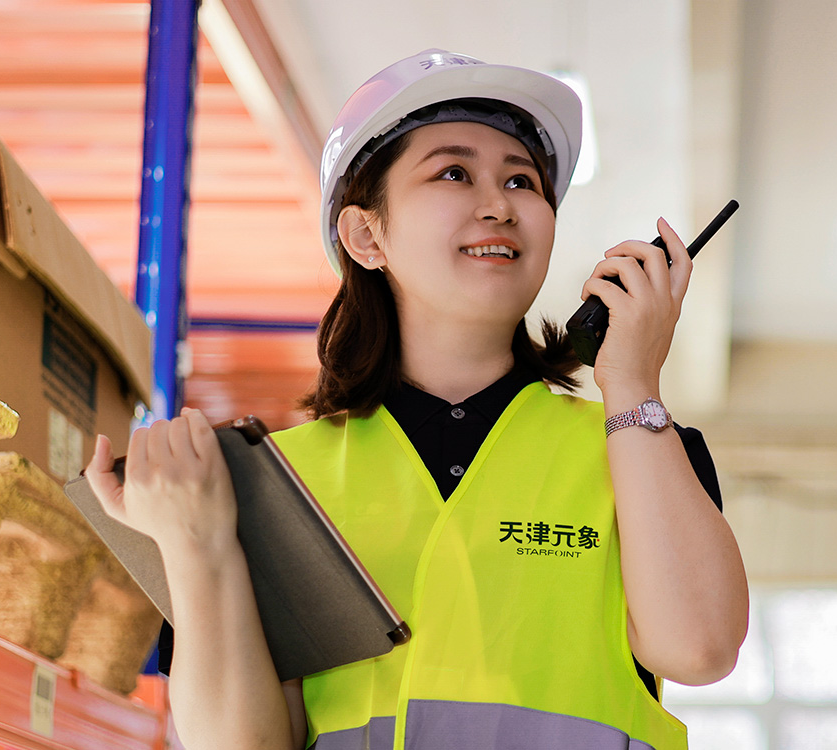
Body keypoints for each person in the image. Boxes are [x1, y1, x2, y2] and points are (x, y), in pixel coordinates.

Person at [84, 49, 748, 750]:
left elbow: (700, 649)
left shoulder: (640, 450)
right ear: (367, 235)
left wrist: (635, 385)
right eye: (453, 173)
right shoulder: (278, 481)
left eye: (522, 181)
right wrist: (193, 543)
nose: (499, 204)